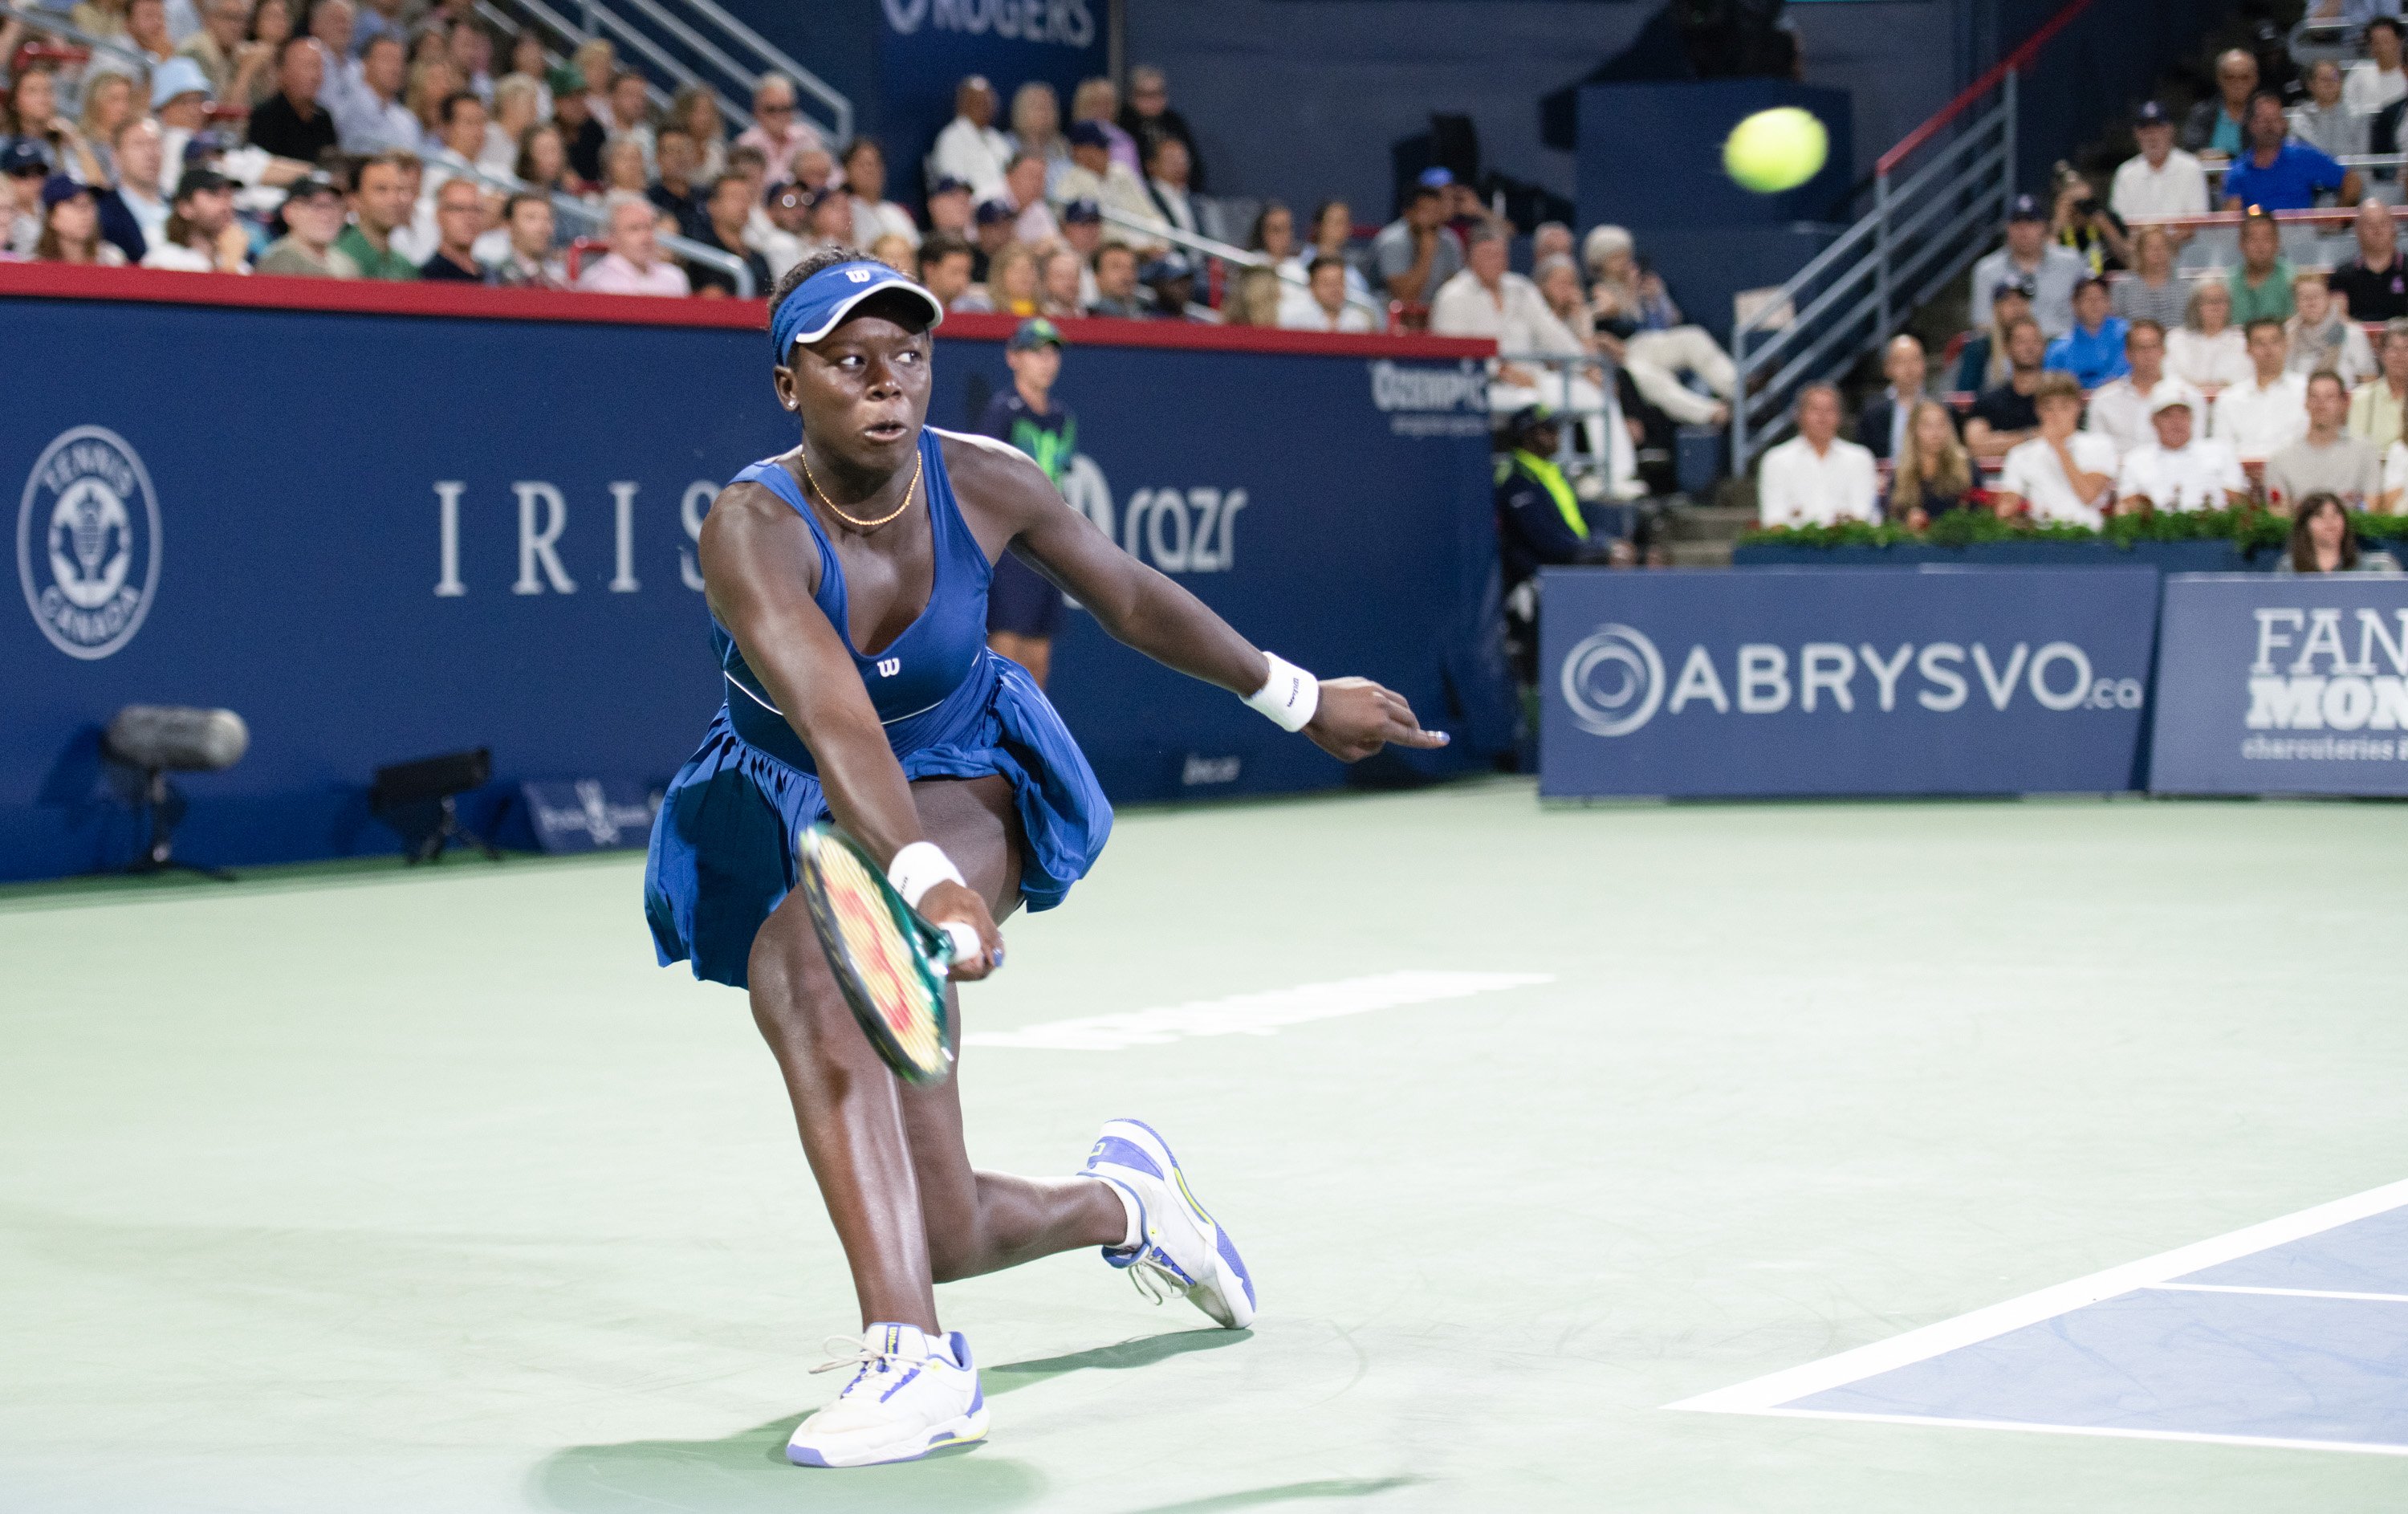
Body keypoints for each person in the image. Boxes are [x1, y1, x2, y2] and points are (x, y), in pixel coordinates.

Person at [640, 250, 1440, 1469]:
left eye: (906, 355)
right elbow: (836, 719)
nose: (887, 382)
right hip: (812, 785)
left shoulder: (989, 478)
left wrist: (1294, 695)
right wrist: (915, 880)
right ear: (787, 384)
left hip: (968, 772)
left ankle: (913, 1359)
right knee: (944, 1221)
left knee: (799, 976)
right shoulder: (751, 527)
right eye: (849, 361)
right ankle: (1132, 1203)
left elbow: (1129, 594)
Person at [1434, 224, 1636, 494]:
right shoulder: (1452, 296)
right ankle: (1547, 482)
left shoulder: (1522, 289)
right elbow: (1452, 352)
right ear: (1472, 256)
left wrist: (1585, 367)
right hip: (1484, 386)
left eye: (1501, 254)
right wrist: (1500, 369)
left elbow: (1552, 335)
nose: (1498, 261)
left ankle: (1616, 478)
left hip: (1534, 379)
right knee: (1531, 406)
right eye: (1489, 254)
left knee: (1595, 394)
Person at [978, 317, 1076, 686]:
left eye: (1052, 353)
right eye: (1037, 353)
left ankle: (1030, 742)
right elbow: (985, 482)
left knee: (1039, 662)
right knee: (1005, 661)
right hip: (1009, 551)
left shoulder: (1063, 417)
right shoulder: (1003, 411)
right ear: (1013, 358)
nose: (1047, 362)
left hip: (1047, 551)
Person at [1584, 225, 1737, 427]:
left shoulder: (1640, 286)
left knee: (1692, 336)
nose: (1624, 264)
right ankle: (1712, 414)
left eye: (1626, 257)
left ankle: (1738, 387)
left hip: (1644, 346)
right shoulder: (1591, 291)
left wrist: (1655, 299)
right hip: (1618, 363)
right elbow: (1591, 330)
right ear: (1600, 262)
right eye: (1616, 258)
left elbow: (1668, 324)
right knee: (1646, 373)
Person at [1995, 371, 2118, 526]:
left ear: (2078, 407)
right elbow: (2007, 507)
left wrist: (2059, 447)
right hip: (2041, 540)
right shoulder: (2020, 454)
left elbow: (2088, 495)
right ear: (2038, 410)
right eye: (2048, 408)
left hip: (2090, 538)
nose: (2056, 415)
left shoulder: (2100, 445)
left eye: (2064, 407)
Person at [1757, 386, 1878, 527]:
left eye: (1829, 410)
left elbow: (1862, 515)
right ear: (1798, 415)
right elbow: (1773, 518)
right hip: (1793, 546)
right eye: (1815, 410)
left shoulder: (1860, 458)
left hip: (1847, 545)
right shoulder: (1776, 460)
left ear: (1839, 416)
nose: (1822, 417)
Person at [1969, 193, 2087, 337]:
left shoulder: (2071, 262)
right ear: (2007, 228)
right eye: (2017, 224)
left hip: (2064, 348)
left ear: (2043, 227)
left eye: (2031, 224)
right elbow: (1982, 325)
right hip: (2012, 352)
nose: (2024, 231)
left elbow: (2088, 313)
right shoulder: (1987, 270)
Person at [2115, 385, 2247, 513]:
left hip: (2213, 531)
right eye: (2168, 415)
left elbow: (2237, 502)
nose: (2176, 422)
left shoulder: (2220, 452)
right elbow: (2128, 507)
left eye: (2183, 414)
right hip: (2156, 532)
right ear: (2154, 421)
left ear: (2192, 418)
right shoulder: (2136, 460)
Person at [2266, 370, 2382, 511]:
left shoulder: (2365, 453)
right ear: (2306, 403)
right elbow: (2279, 517)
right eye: (2314, 397)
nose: (2321, 404)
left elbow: (2371, 509)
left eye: (2329, 397)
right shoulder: (2281, 460)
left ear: (2344, 403)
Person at [2221, 92, 2357, 211]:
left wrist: (2336, 220)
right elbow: (2231, 216)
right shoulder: (2238, 170)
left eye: (2275, 119)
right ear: (2251, 125)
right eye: (2263, 120)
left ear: (2284, 123)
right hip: (2259, 237)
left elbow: (2352, 182)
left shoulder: (2303, 157)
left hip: (2301, 237)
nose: (2270, 126)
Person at [2210, 319, 2310, 465]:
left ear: (2286, 345)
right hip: (2242, 478)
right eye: (2260, 343)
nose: (2268, 349)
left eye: (2274, 341)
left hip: (2294, 474)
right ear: (2248, 349)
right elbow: (2222, 451)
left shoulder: (2306, 390)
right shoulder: (2229, 399)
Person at [1051, 120, 1164, 247]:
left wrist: (1159, 244)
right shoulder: (1070, 184)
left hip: (1149, 251)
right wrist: (1139, 249)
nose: (1106, 152)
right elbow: (1096, 233)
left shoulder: (1122, 173)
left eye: (1105, 146)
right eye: (1099, 147)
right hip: (1108, 255)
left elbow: (1153, 215)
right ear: (1078, 151)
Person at [1369, 173, 1461, 312]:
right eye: (1425, 211)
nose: (1431, 218)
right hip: (1390, 317)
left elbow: (1456, 290)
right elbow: (1404, 299)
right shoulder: (1391, 241)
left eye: (1436, 211)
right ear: (1408, 213)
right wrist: (1426, 255)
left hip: (1437, 314)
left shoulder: (1449, 241)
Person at [2110, 100, 2208, 230]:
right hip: (2138, 248)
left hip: (2184, 248)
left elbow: (2197, 223)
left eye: (2158, 128)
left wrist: (2159, 247)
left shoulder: (2191, 167)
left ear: (2170, 130)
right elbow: (2119, 225)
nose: (2152, 136)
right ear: (2137, 134)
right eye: (2146, 130)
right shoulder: (2126, 173)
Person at [1965, 316, 2048, 463]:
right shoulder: (1988, 401)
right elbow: (1976, 446)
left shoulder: (2058, 397)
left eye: (2035, 341)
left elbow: (2067, 437)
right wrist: (2031, 436)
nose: (2029, 347)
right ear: (2006, 347)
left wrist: (2002, 440)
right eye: (2021, 342)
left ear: (2044, 346)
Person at [248, 35, 339, 164]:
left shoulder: (324, 118)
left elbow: (331, 166)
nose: (315, 76)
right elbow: (260, 168)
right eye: (307, 66)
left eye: (318, 67)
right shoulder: (265, 117)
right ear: (282, 72)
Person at [2087, 320, 2172, 458]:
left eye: (2153, 347)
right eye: (2141, 348)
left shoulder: (2187, 396)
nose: (2148, 354)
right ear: (2128, 354)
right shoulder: (2103, 399)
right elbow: (2097, 455)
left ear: (2163, 351)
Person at [1887, 399, 1976, 528]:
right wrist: (1908, 522)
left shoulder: (1968, 468)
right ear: (1913, 431)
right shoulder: (1900, 476)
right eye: (1928, 426)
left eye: (1941, 425)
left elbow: (1978, 514)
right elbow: (1892, 520)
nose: (1936, 433)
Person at [579, 191, 689, 295]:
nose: (646, 237)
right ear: (612, 237)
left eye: (649, 227)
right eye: (634, 229)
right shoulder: (597, 282)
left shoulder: (675, 278)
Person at [141, 165, 247, 272]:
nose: (226, 206)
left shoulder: (241, 266)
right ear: (185, 207)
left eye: (228, 196)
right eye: (214, 195)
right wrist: (230, 267)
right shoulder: (165, 260)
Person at [1118, 64, 1206, 193]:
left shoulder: (1174, 122)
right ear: (1133, 96)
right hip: (1138, 194)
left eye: (1158, 93)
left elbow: (1195, 166)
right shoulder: (1122, 123)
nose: (1153, 100)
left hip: (1178, 194)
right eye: (1146, 95)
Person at [335, 151, 420, 279]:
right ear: (354, 200)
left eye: (400, 189)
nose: (394, 200)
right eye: (381, 189)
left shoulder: (406, 266)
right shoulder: (339, 259)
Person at [927, 75, 1012, 206]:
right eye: (977, 102)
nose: (985, 107)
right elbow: (956, 189)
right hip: (975, 210)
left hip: (1006, 208)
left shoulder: (997, 139)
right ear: (963, 104)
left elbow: (1013, 174)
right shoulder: (951, 139)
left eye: (988, 102)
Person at [254, 171, 360, 275]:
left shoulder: (347, 264)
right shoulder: (279, 262)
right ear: (289, 212)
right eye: (316, 206)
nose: (326, 216)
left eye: (333, 206)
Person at [688, 173, 773, 297]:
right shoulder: (701, 254)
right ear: (712, 206)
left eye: (747, 198)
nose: (743, 204)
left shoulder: (759, 258)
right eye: (735, 197)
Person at [2276, 490, 2403, 572]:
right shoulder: (2289, 569)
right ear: (2305, 525)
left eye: (2336, 514)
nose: (2330, 522)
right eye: (2320, 515)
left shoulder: (2374, 569)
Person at [2288, 273, 2377, 386]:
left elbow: (2369, 381)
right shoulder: (2286, 335)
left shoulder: (2352, 333)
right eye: (2304, 297)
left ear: (2328, 298)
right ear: (2295, 302)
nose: (2311, 303)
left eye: (2317, 296)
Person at [2166, 279, 2252, 393]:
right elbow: (2170, 379)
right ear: (2195, 306)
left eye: (2221, 301)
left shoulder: (2243, 341)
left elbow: (2247, 380)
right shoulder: (2176, 339)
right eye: (2209, 301)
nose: (2215, 307)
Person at [2329, 198, 2408, 322]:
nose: (2377, 230)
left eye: (2383, 223)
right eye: (2369, 224)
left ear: (2394, 228)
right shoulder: (2342, 274)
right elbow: (2339, 319)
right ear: (2357, 231)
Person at [1856, 333, 1931, 463]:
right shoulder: (1872, 413)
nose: (1909, 367)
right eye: (1901, 361)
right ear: (1887, 368)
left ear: (1924, 365)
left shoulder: (1939, 408)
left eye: (1915, 359)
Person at [335, 33, 417, 152]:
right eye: (387, 59)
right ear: (366, 63)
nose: (395, 67)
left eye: (399, 61)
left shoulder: (408, 121)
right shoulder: (347, 109)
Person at [2044, 277, 2129, 389]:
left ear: (2108, 302)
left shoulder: (2128, 334)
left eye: (2100, 298)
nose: (2095, 304)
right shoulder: (2058, 350)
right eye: (2088, 299)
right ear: (2075, 304)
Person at [736, 74, 821, 186]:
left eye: (786, 108)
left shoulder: (808, 138)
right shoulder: (746, 144)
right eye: (772, 109)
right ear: (757, 112)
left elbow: (833, 178)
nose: (780, 115)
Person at [1955, 275, 2036, 392]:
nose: (2017, 307)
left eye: (2022, 300)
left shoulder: (2041, 345)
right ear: (1996, 308)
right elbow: (1966, 393)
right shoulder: (1979, 348)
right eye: (2009, 301)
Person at [34, 177, 127, 265]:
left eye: (90, 202)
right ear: (51, 216)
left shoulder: (112, 260)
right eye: (74, 203)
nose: (85, 212)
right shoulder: (35, 268)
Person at [843, 139, 917, 250]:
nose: (870, 170)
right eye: (863, 164)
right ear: (846, 170)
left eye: (876, 163)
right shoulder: (843, 211)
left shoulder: (896, 212)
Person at [2182, 48, 2256, 158]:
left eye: (2244, 77)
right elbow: (2192, 152)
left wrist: (2224, 157)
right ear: (2220, 79)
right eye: (2231, 77)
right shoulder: (2202, 113)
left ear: (2254, 79)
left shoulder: (2261, 115)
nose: (2238, 84)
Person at [2290, 59, 2367, 164]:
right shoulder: (2301, 117)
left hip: (2347, 176)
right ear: (2311, 85)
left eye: (2335, 78)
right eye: (2324, 79)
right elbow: (2296, 156)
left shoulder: (2357, 115)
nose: (2330, 84)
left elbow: (2362, 156)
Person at [2113, 226, 2190, 330]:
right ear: (2140, 253)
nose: (2158, 253)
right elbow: (2117, 328)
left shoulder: (2187, 289)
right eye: (2151, 248)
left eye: (2162, 247)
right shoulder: (2123, 289)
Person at [2352, 318, 2408, 451]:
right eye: (2393, 348)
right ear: (2381, 353)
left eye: (2406, 349)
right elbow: (2356, 452)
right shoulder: (2361, 399)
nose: (2399, 356)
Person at [1282, 252, 1374, 332]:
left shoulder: (1358, 322)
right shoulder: (1293, 320)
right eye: (1327, 283)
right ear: (1312, 287)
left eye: (1339, 282)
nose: (1335, 289)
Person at [416, 173, 484, 280]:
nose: (470, 217)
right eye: (459, 209)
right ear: (439, 215)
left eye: (476, 209)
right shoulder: (428, 277)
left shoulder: (493, 276)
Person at [646, 124, 708, 240]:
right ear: (658, 157)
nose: (679, 157)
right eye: (671, 150)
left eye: (684, 149)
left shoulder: (706, 196)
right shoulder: (649, 201)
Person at [489, 191, 562, 287]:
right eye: (531, 218)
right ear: (509, 225)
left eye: (547, 219)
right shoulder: (494, 273)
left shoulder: (559, 277)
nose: (542, 228)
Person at [1007, 81, 1068, 192]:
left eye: (1049, 107)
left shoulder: (1062, 147)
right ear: (1022, 111)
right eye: (1038, 107)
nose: (1045, 113)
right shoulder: (1006, 145)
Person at [1142, 136, 1203, 241]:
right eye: (1171, 159)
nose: (1179, 164)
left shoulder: (1193, 199)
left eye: (1182, 158)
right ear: (1151, 165)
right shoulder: (1145, 196)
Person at [2346, 17, 2408, 118]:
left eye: (2386, 41)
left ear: (2399, 41)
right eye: (2376, 42)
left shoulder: (2406, 73)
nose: (2381, 47)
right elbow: (2348, 106)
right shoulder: (2360, 71)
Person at [1000, 151, 1057, 245]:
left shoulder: (1039, 208)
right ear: (1009, 176)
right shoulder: (989, 199)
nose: (1036, 183)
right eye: (1031, 175)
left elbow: (1054, 244)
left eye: (1041, 177)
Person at [914, 232, 975, 311]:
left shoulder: (974, 310)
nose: (963, 280)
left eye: (967, 273)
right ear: (929, 270)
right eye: (955, 272)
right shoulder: (912, 307)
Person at [1087, 240, 1146, 319]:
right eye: (1116, 267)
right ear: (1096, 276)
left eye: (1131, 267)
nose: (1126, 274)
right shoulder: (1086, 315)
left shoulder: (1147, 311)